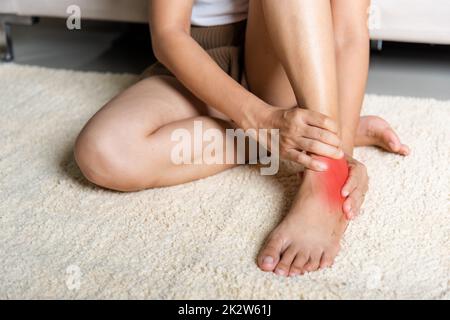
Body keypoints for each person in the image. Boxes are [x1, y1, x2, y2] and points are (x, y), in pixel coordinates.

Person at [74, 0, 409, 276]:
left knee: (325, 159)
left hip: (282, 64)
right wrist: (262, 121)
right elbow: (168, 33)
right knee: (104, 153)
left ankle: (323, 170)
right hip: (199, 59)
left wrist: (339, 157)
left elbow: (348, 31)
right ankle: (295, 138)